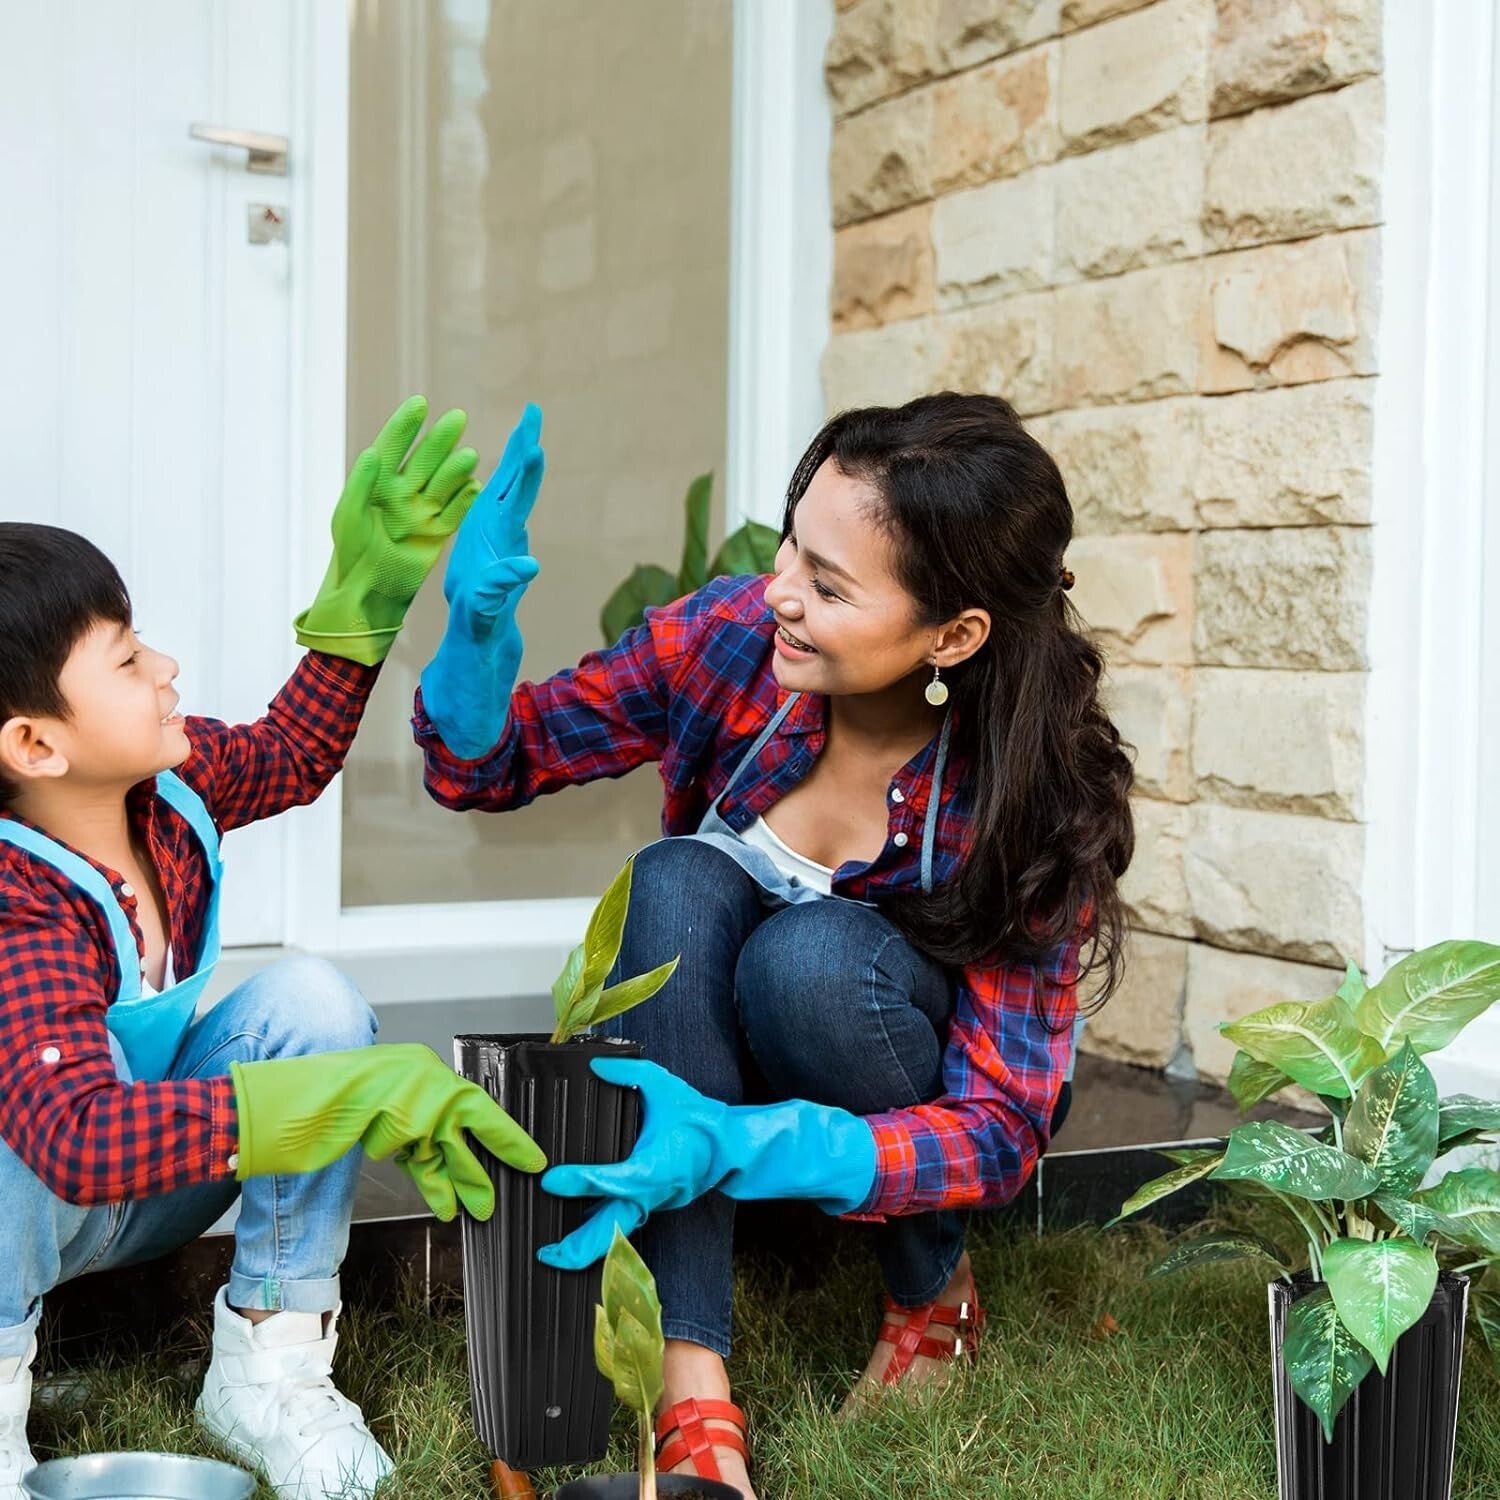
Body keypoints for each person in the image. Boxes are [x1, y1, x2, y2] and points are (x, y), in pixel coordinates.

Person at [415, 393, 1134, 1499]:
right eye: (793, 544)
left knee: (808, 962)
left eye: (829, 586)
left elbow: (999, 1134)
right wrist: (473, 631)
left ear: (953, 635)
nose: (779, 594)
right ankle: (689, 1388)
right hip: (702, 1054)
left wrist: (740, 1145)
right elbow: (490, 765)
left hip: (865, 1068)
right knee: (676, 877)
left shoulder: (1025, 800)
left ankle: (929, 1286)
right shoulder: (737, 643)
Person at [0, 400, 545, 1500]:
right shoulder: (18, 906)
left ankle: (266, 1363)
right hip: (42, 1192)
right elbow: (73, 1143)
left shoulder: (170, 794)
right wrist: (338, 1100)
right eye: (124, 658)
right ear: (35, 743)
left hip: (135, 1191)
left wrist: (370, 591)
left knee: (311, 1001)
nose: (164, 665)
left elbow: (294, 752)